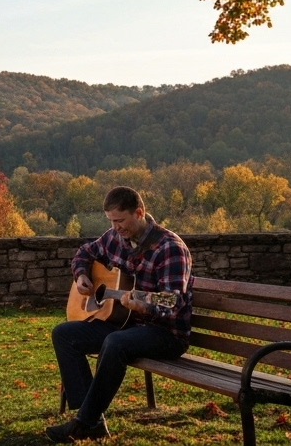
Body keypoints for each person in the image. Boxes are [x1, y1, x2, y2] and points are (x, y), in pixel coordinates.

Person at [45, 186, 193, 443]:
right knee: (64, 334)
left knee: (114, 343)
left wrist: (143, 303)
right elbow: (85, 252)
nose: (115, 228)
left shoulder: (169, 248)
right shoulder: (115, 238)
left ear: (139, 212)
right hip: (126, 323)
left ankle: (84, 422)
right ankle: (90, 417)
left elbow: (173, 302)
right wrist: (81, 275)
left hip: (165, 333)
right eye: (111, 221)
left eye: (120, 221)